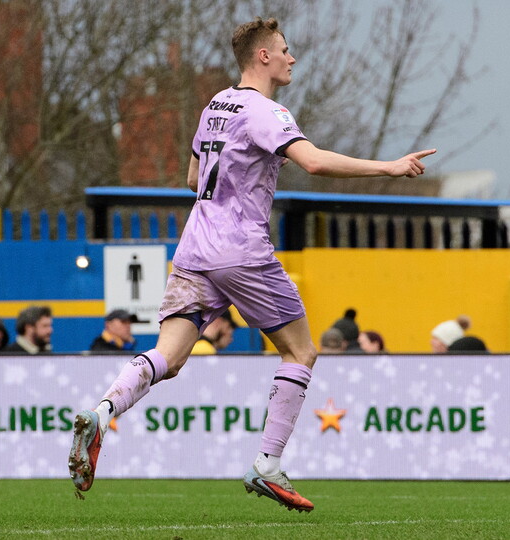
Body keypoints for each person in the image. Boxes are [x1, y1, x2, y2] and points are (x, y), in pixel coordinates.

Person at [67, 17, 435, 513]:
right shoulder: (266, 112)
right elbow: (316, 163)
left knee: (169, 357)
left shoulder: (214, 105)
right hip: (241, 250)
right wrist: (388, 167)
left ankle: (101, 411)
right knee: (301, 352)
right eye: (285, 49)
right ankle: (267, 462)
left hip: (195, 248)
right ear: (263, 56)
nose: (292, 57)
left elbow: (193, 175)